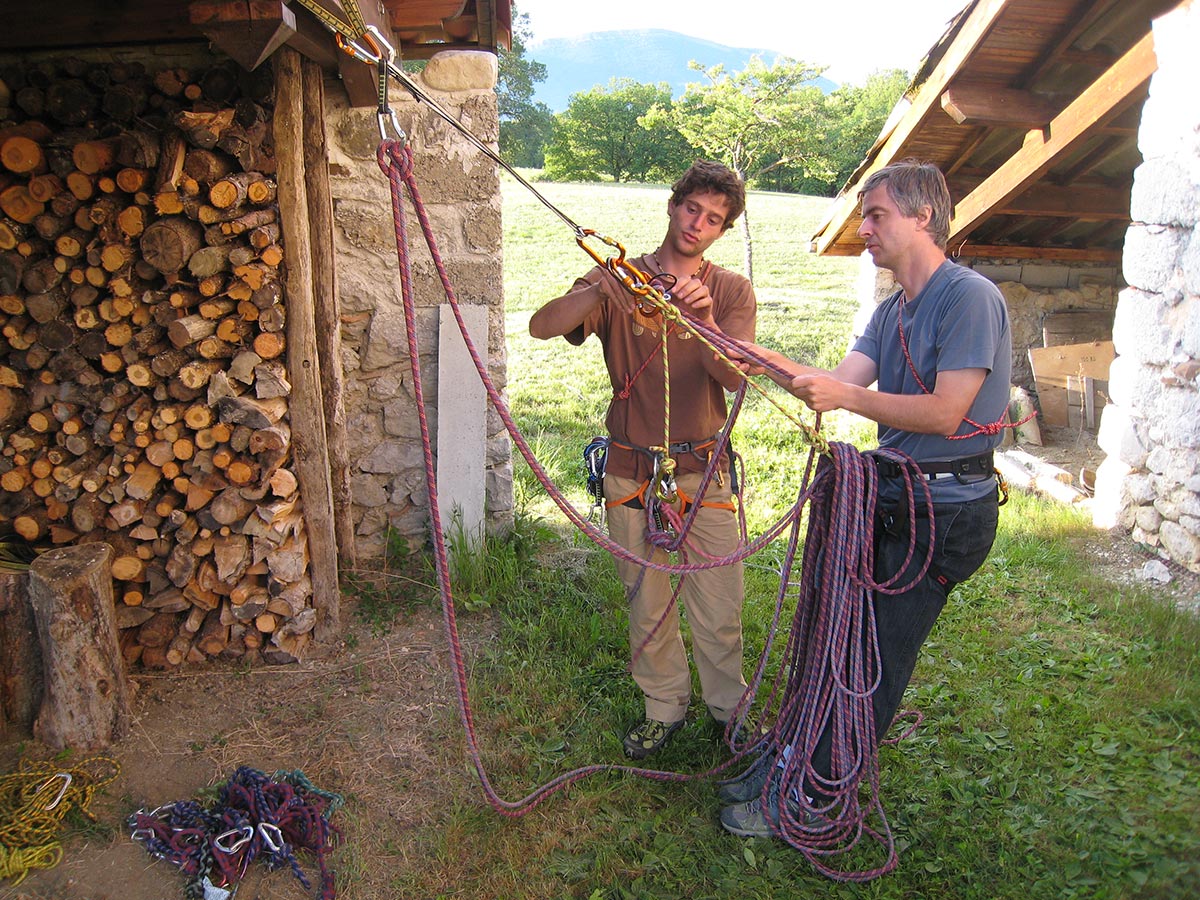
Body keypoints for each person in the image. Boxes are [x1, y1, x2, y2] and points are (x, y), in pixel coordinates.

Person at [717, 159, 1012, 835]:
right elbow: (837, 380)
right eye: (865, 214)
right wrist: (746, 351)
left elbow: (947, 414)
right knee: (835, 637)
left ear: (922, 217)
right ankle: (797, 754)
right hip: (898, 496)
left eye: (876, 214)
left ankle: (817, 794)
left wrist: (846, 396)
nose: (864, 227)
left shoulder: (968, 298)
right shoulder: (892, 309)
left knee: (872, 660)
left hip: (945, 512)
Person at [529, 160, 757, 759]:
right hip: (632, 470)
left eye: (713, 219)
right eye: (692, 208)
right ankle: (663, 706)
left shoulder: (730, 290)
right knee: (647, 600)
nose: (698, 224)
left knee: (718, 599)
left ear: (721, 230)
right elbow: (541, 326)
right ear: (673, 204)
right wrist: (604, 284)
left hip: (701, 469)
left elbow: (735, 376)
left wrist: (703, 318)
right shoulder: (618, 278)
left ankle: (727, 710)